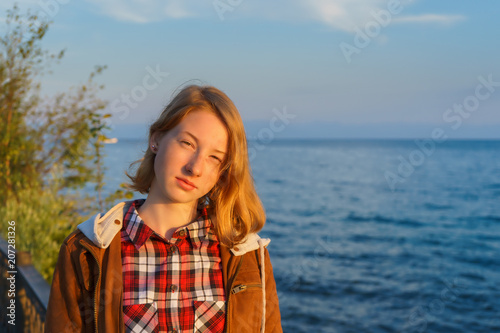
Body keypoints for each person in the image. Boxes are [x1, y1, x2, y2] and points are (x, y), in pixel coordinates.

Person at [45, 85, 282, 333]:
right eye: (187, 143)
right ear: (156, 139)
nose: (195, 167)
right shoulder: (86, 251)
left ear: (222, 173)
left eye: (215, 157)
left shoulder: (248, 256)